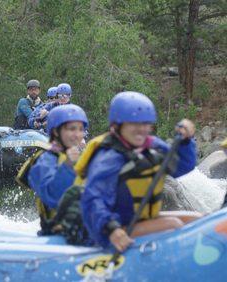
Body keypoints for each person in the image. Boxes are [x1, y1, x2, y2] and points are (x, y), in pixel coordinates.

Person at [78, 91, 199, 251]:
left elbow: (182, 167)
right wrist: (112, 229)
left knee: (198, 220)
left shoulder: (153, 146)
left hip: (139, 220)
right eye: (134, 124)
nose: (141, 129)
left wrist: (185, 142)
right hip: (112, 229)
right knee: (173, 225)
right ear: (117, 126)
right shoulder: (109, 159)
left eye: (145, 124)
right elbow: (93, 200)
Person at [16, 104, 88, 237]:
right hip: (56, 234)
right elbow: (52, 196)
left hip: (83, 231)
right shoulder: (42, 161)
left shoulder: (82, 158)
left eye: (81, 129)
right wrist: (68, 167)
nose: (77, 135)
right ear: (56, 132)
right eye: (72, 129)